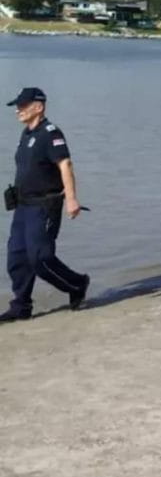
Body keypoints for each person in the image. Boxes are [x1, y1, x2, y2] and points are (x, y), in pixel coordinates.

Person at [1, 87, 90, 322]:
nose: (18, 110)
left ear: (38, 107)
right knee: (16, 258)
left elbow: (65, 165)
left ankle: (77, 284)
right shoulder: (26, 134)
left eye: (22, 106)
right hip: (23, 206)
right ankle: (21, 306)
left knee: (40, 258)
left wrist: (71, 198)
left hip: (44, 206)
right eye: (17, 106)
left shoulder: (51, 133)